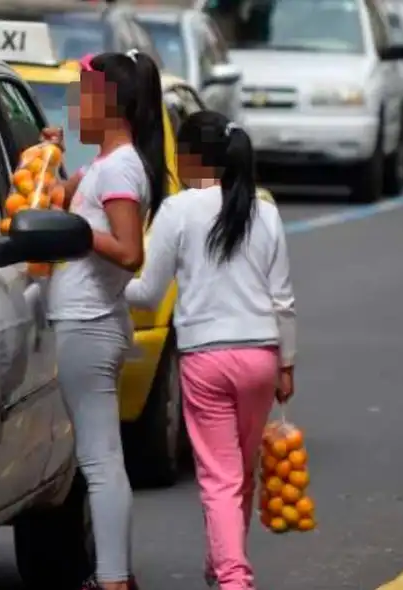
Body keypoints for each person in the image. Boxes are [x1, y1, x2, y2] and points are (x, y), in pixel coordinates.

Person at [124, 111, 296, 590]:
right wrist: (286, 364)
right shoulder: (264, 211)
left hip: (206, 360)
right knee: (239, 473)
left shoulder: (177, 211)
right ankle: (222, 564)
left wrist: (104, 285)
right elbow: (283, 300)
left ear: (189, 158)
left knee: (218, 478)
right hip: (261, 356)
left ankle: (233, 577)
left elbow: (148, 293)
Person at [41, 48, 167, 590]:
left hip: (88, 323)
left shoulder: (119, 167)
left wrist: (80, 234)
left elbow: (129, 250)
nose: (75, 108)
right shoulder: (103, 165)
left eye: (82, 97)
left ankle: (114, 579)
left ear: (110, 104)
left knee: (99, 461)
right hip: (89, 320)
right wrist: (51, 159)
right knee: (99, 458)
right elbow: (58, 201)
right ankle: (114, 576)